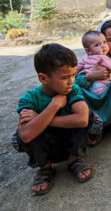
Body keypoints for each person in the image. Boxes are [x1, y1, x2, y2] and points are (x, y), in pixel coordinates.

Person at [11, 43, 102, 195]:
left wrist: (42, 118)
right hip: (48, 146)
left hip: (70, 141)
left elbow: (82, 120)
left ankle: (75, 159)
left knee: (90, 117)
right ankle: (45, 168)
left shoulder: (72, 90)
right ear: (43, 78)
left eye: (73, 75)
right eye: (65, 77)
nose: (71, 81)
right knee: (19, 135)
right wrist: (54, 105)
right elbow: (26, 135)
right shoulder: (29, 98)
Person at [77, 30, 111, 95]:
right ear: (88, 50)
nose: (103, 46)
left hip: (91, 87)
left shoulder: (85, 57)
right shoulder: (103, 58)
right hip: (102, 86)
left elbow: (77, 68)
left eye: (104, 42)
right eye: (97, 45)